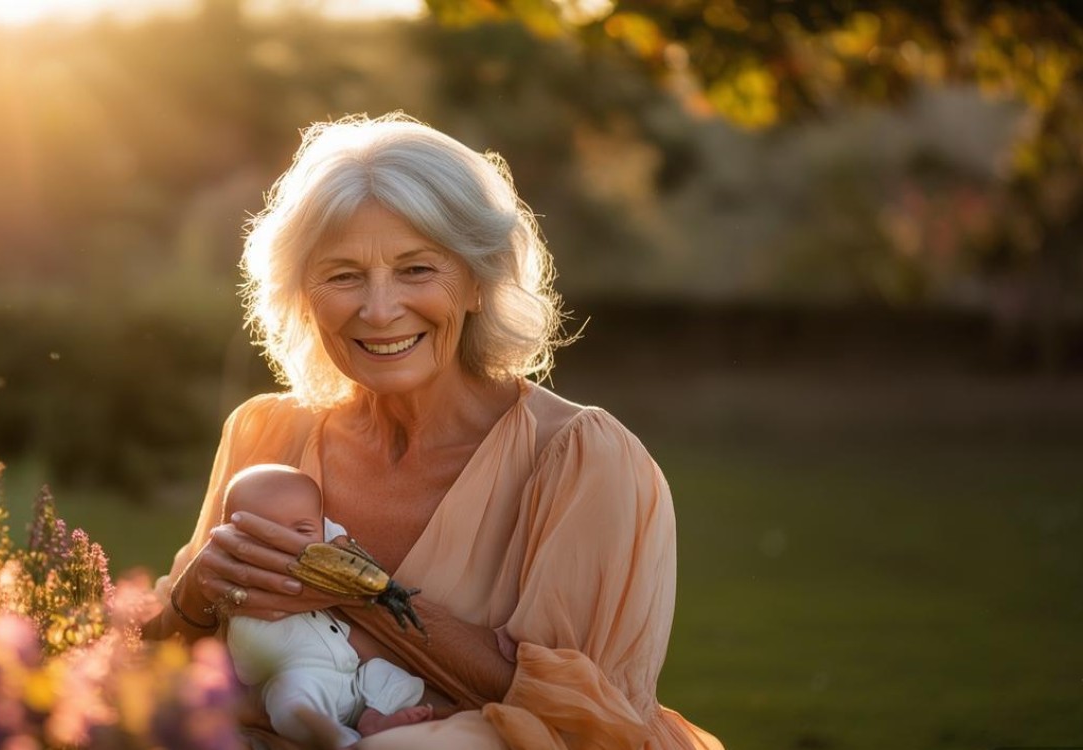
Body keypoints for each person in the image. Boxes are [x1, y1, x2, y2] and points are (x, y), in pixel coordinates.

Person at [145, 112, 722, 749]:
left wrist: (358, 587)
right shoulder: (267, 436)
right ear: (303, 295)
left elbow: (584, 722)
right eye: (343, 275)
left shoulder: (583, 461)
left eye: (417, 270)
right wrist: (198, 592)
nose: (381, 309)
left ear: (480, 279)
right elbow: (157, 679)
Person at [211, 463, 433, 746]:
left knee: (393, 677)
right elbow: (249, 669)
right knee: (290, 703)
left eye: (301, 531)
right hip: (300, 677)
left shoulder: (324, 550)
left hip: (352, 678)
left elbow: (337, 543)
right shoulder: (244, 596)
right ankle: (340, 741)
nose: (285, 545)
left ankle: (374, 718)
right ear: (233, 537)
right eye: (264, 535)